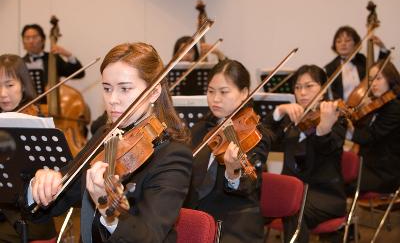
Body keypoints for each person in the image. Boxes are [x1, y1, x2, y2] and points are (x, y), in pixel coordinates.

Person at [21, 42, 193, 243]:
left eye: (125, 89)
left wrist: (108, 210)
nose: (112, 99)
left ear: (154, 92)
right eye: (107, 88)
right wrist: (40, 186)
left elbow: (150, 237)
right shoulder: (106, 135)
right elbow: (48, 207)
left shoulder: (173, 155)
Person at [185, 59, 271, 243]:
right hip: (197, 214)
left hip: (234, 219)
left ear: (244, 93)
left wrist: (233, 173)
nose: (215, 99)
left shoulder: (257, 134)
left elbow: (250, 184)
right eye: (210, 91)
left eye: (224, 92)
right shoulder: (202, 128)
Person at [264, 65, 347, 243]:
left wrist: (324, 128)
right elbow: (264, 137)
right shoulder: (291, 118)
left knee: (293, 209)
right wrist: (279, 111)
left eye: (309, 86)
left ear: (324, 89)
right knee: (252, 204)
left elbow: (327, 150)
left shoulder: (336, 118)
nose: (302, 92)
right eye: (298, 87)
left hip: (324, 195)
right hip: (290, 190)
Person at [0, 54, 57, 242]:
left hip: (32, 216)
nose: (2, 93)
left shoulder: (35, 122)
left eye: (9, 85)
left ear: (23, 85)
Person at [347, 60, 400, 193]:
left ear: (390, 78)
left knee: (342, 183)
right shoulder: (377, 105)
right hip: (367, 164)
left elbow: (370, 137)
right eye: (371, 80)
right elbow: (362, 129)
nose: (373, 84)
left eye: (378, 78)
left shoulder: (395, 108)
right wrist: (360, 110)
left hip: (385, 172)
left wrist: (349, 132)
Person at [325, 26, 389, 101]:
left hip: (367, 105)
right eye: (339, 41)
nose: (343, 44)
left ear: (355, 43)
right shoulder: (330, 68)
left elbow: (380, 68)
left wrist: (382, 47)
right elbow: (331, 94)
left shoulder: (363, 60)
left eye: (347, 40)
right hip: (345, 109)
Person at [21, 24, 84, 93]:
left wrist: (68, 55)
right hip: (28, 103)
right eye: (27, 38)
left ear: (43, 40)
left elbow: (79, 74)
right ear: (23, 42)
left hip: (51, 102)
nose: (31, 41)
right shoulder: (19, 63)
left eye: (34, 37)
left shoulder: (53, 58)